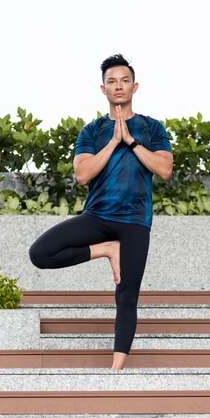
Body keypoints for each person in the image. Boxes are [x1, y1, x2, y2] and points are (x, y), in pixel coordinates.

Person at [29, 54, 173, 370]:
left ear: (135, 86)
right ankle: (106, 249)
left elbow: (163, 169)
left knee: (126, 294)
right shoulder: (92, 131)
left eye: (124, 80)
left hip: (135, 222)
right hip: (96, 217)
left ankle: (116, 369)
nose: (118, 86)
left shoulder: (152, 128)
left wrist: (132, 141)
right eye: (111, 81)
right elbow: (83, 175)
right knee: (40, 253)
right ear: (102, 89)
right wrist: (113, 143)